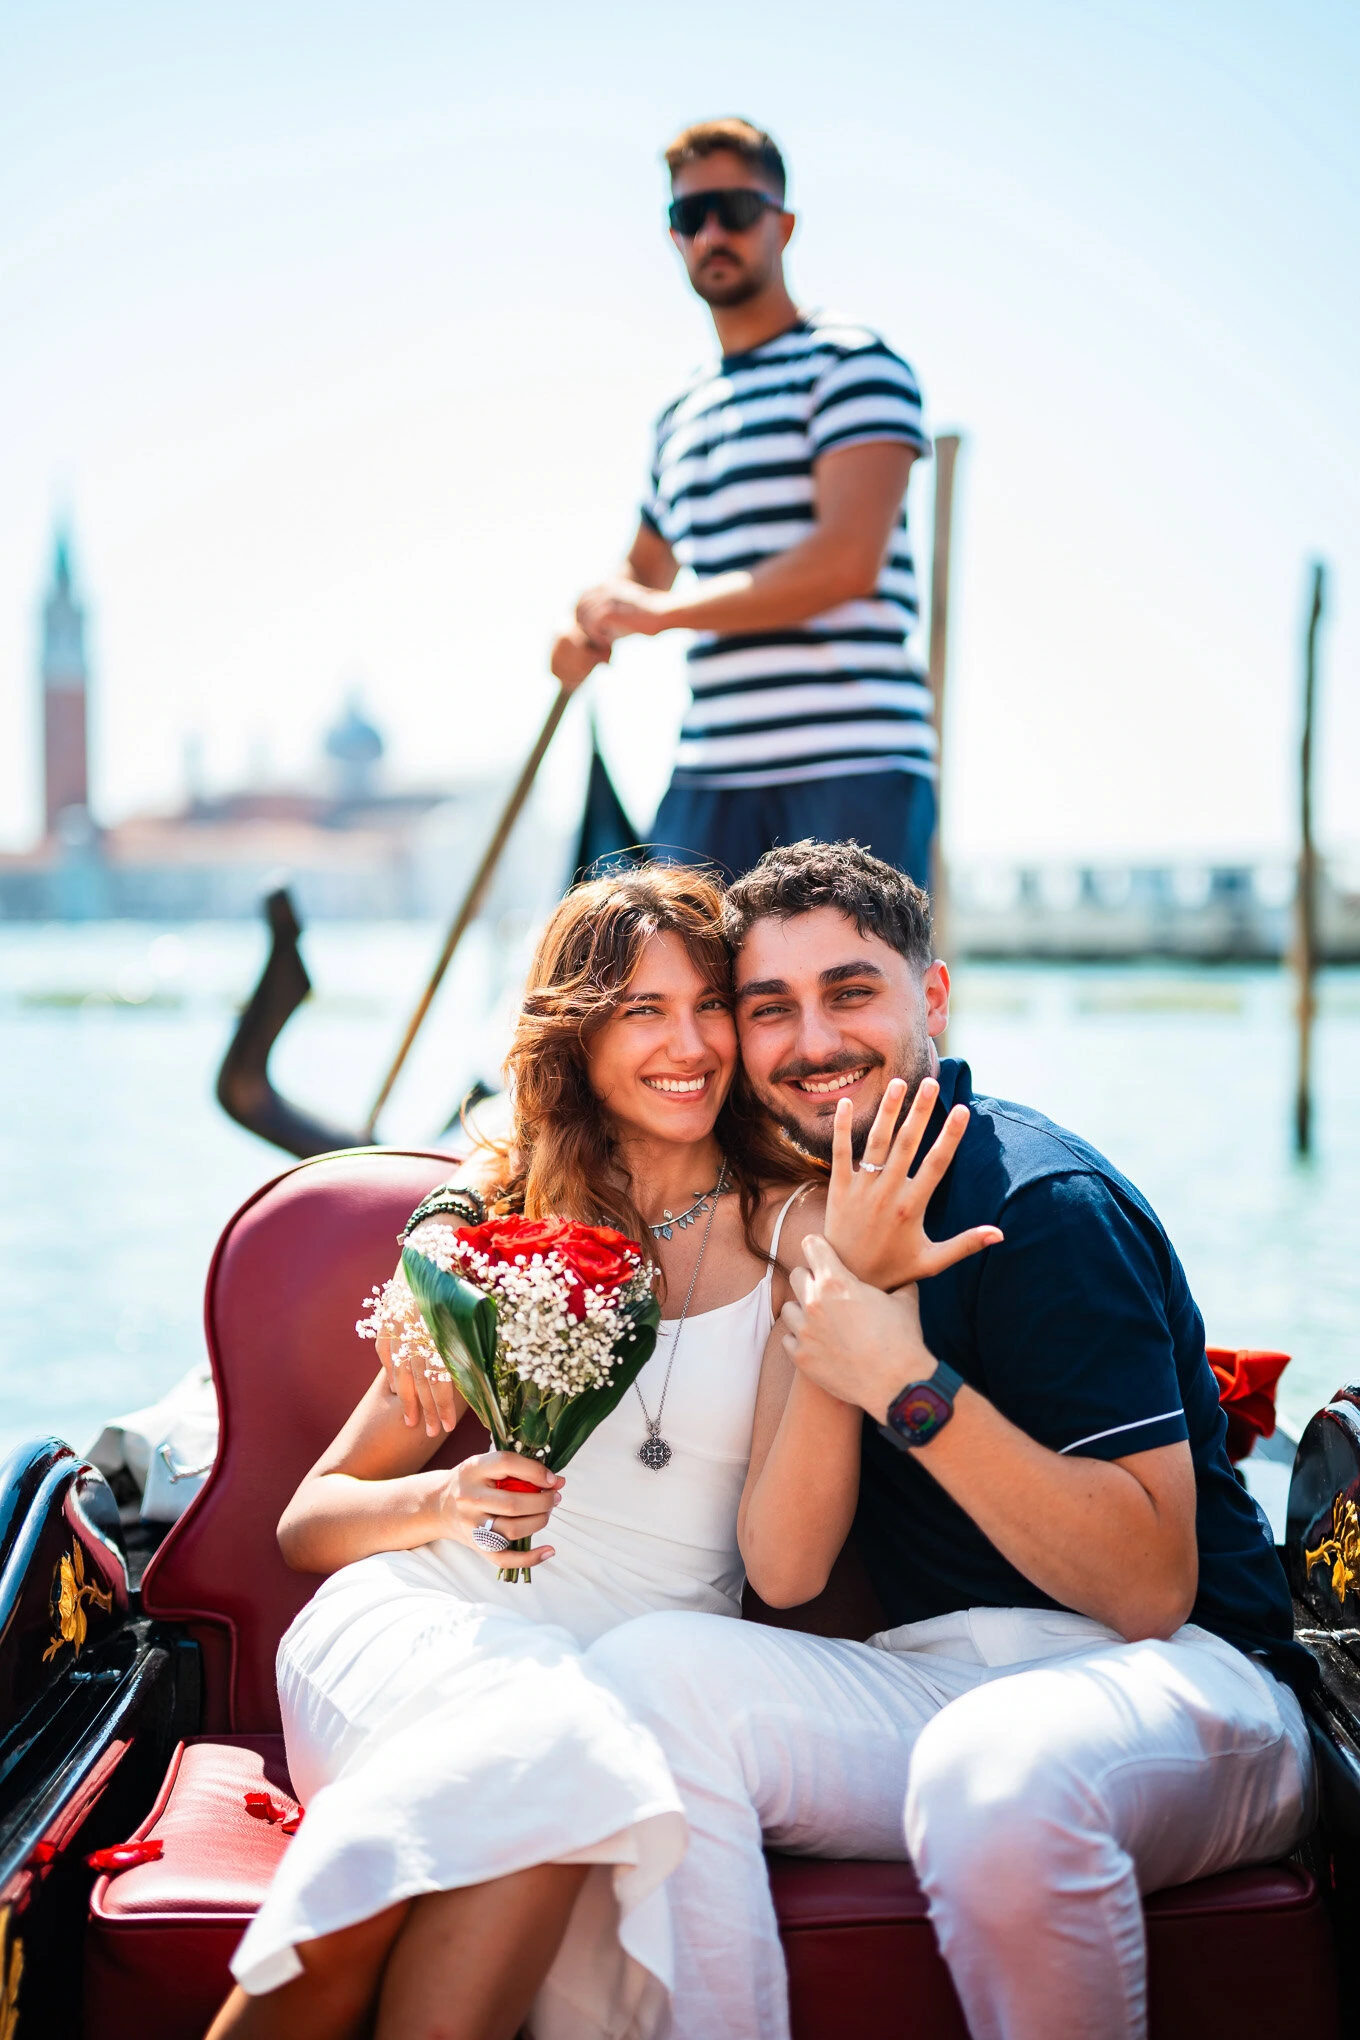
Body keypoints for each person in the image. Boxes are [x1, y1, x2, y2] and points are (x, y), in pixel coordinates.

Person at [205, 861, 988, 2040]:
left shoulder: (803, 1229)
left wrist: (846, 1299)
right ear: (578, 1039)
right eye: (642, 1012)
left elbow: (783, 1572)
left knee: (560, 1767)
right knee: (552, 1751)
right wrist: (450, 1497)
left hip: (625, 1699)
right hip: (422, 1630)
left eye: (709, 1005)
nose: (691, 1045)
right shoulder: (508, 1221)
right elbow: (310, 1523)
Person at [589, 839, 1318, 2040]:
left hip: (1192, 1685)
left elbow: (1148, 1588)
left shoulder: (1040, 1205)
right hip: (936, 1681)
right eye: (770, 1009)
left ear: (930, 997)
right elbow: (780, 1572)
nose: (811, 1041)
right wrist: (845, 1303)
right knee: (644, 1677)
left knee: (998, 1771)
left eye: (851, 991)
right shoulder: (807, 1214)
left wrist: (907, 1383)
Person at [551, 117, 936, 884]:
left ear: (782, 224)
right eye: (692, 217)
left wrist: (660, 616)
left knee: (842, 999)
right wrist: (586, 625)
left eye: (736, 210)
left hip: (851, 760)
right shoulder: (678, 415)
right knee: (673, 995)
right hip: (709, 775)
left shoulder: (853, 364)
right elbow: (644, 575)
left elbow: (843, 564)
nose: (713, 233)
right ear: (674, 236)